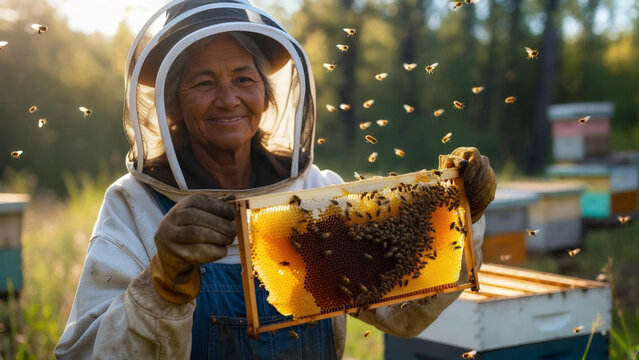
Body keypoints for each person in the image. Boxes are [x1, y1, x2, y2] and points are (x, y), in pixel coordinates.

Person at [55, 0, 496, 358]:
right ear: (172, 105)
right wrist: (160, 284)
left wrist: (457, 216)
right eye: (204, 83)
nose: (228, 99)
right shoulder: (133, 207)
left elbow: (407, 310)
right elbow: (85, 353)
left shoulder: (313, 192)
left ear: (267, 96)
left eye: (244, 79)